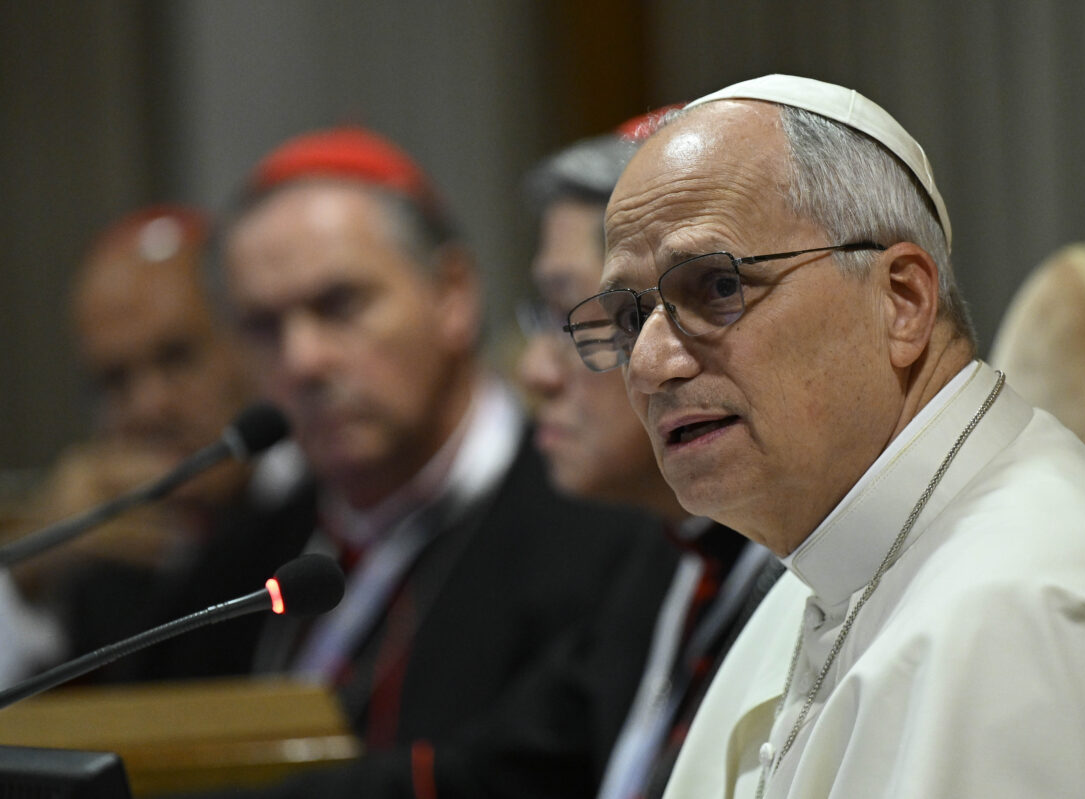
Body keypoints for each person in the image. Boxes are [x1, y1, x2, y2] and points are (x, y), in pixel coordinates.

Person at [560, 74, 1085, 798]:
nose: (648, 362)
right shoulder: (837, 564)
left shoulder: (1008, 615)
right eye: (625, 318)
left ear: (902, 300)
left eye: (716, 287)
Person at [216, 126, 662, 788]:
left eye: (339, 305)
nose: (302, 360)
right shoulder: (240, 553)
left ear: (452, 293)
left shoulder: (602, 523)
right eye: (264, 327)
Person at [516, 113, 775, 799]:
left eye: (577, 312)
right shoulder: (650, 561)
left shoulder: (818, 571)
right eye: (542, 316)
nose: (538, 373)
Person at [0, 205, 312, 685]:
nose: (148, 407)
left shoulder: (334, 502)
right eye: (114, 381)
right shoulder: (99, 544)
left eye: (177, 357)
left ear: (248, 343)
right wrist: (32, 578)